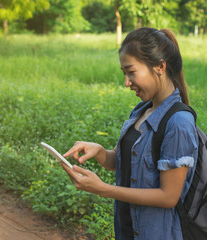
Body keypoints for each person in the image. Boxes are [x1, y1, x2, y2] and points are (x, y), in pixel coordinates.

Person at [61, 27, 199, 240]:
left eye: (131, 72)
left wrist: (103, 189)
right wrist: (98, 151)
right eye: (124, 73)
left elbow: (168, 197)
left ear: (159, 66)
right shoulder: (142, 110)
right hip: (128, 231)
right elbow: (121, 162)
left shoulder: (179, 122)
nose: (126, 82)